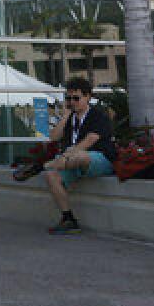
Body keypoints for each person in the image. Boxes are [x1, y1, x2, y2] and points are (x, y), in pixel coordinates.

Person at [15, 78, 116, 234]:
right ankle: (68, 218)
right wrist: (65, 116)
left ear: (88, 97)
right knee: (51, 176)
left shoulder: (98, 116)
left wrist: (69, 154)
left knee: (80, 155)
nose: (72, 102)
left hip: (98, 160)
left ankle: (39, 167)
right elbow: (53, 137)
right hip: (69, 162)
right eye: (68, 98)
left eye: (76, 98)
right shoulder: (70, 119)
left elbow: (90, 140)